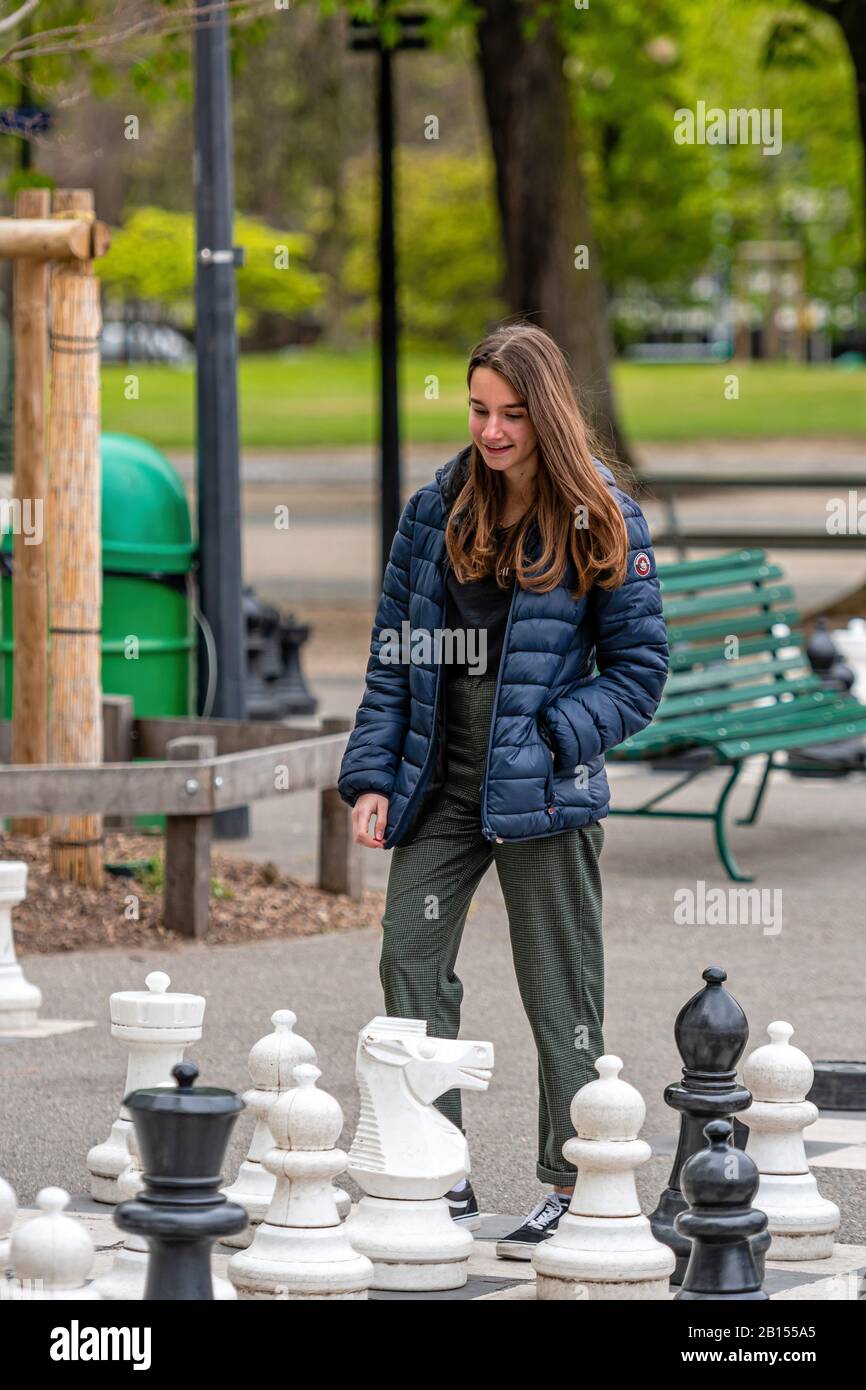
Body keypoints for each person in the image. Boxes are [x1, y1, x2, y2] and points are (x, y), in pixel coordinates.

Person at [337, 322, 669, 1259]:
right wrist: (370, 775)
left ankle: (573, 1182)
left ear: (549, 411)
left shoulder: (599, 513)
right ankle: (433, 1171)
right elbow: (394, 653)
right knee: (410, 961)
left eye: (512, 414)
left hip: (544, 785)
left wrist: (559, 736)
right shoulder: (434, 508)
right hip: (439, 775)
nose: (490, 431)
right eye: (479, 409)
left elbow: (640, 669)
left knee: (558, 985)